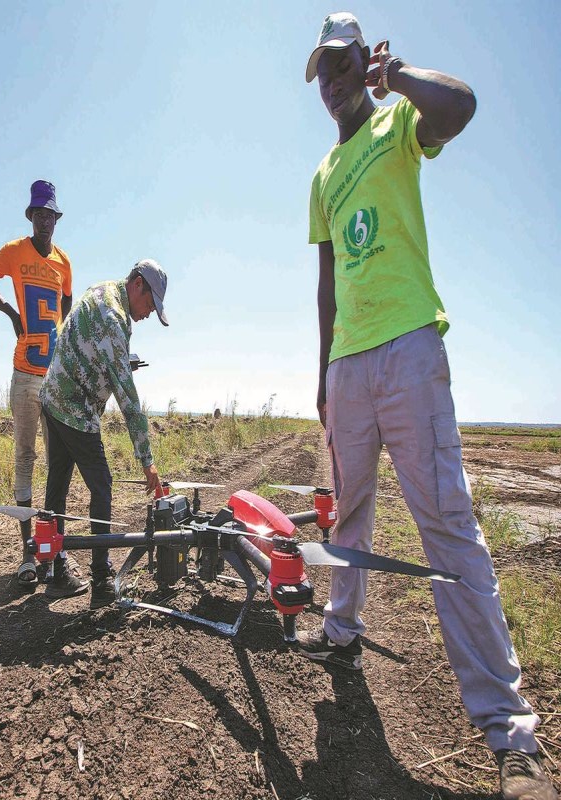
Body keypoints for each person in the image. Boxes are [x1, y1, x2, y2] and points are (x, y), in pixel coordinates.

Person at [300, 13, 557, 800]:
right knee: (347, 514)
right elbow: (328, 279)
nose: (333, 82)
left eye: (342, 65)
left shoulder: (401, 121)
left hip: (410, 347)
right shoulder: (320, 175)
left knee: (447, 523)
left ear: (362, 59)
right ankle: (342, 631)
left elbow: (463, 105)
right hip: (348, 366)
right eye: (323, 73)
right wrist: (321, 370)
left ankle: (509, 733)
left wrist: (398, 76)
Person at [39, 260, 167, 607]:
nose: (148, 314)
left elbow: (87, 346)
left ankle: (53, 569)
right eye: (150, 304)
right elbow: (129, 400)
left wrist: (120, 363)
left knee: (59, 481)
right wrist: (147, 462)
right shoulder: (114, 319)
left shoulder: (103, 290)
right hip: (73, 408)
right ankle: (101, 580)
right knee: (102, 484)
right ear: (137, 284)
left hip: (52, 397)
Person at [0, 180, 73, 590]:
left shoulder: (64, 262)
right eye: (39, 214)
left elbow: (65, 305)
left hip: (52, 381)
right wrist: (10, 313)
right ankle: (28, 553)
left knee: (56, 464)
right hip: (23, 375)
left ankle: (53, 550)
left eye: (51, 214)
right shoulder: (14, 252)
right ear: (31, 216)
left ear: (56, 217)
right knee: (24, 458)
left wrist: (59, 338)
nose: (45, 221)